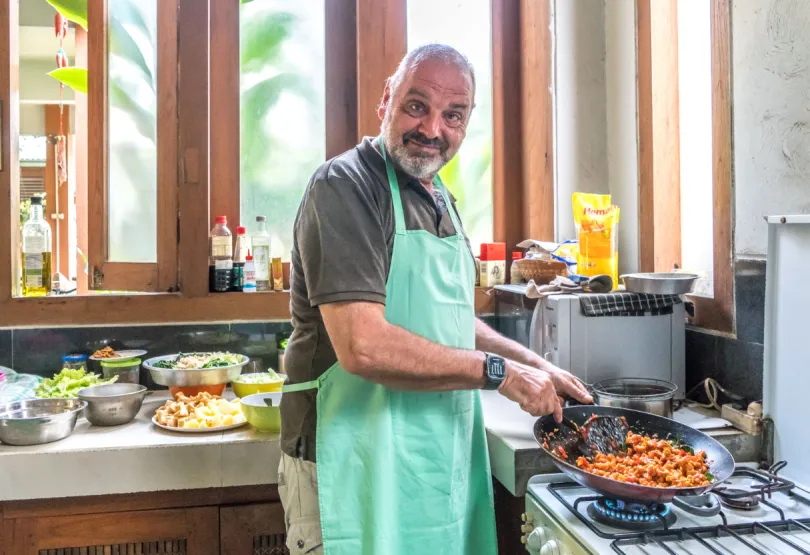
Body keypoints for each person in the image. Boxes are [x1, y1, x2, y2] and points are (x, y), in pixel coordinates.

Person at [279, 43, 592, 555]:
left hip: (429, 457)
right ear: (386, 100)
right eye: (417, 106)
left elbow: (449, 320)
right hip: (350, 458)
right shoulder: (346, 185)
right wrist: (503, 374)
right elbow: (363, 346)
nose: (432, 130)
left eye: (453, 115)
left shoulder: (437, 194)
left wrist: (535, 362)